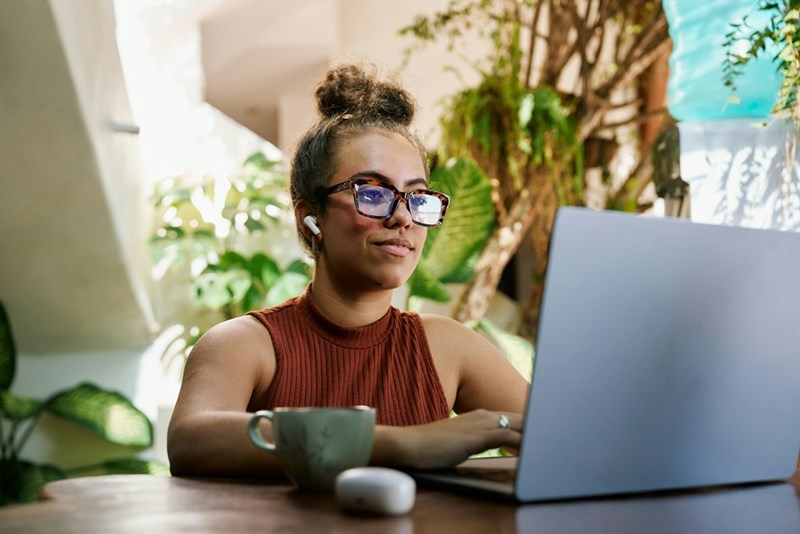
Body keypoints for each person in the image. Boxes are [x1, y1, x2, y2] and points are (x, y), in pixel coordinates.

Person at [167, 63, 530, 477]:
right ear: (311, 215)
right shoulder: (245, 344)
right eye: (373, 193)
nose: (403, 219)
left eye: (417, 197)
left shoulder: (448, 347)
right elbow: (190, 440)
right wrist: (402, 444)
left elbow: (561, 446)